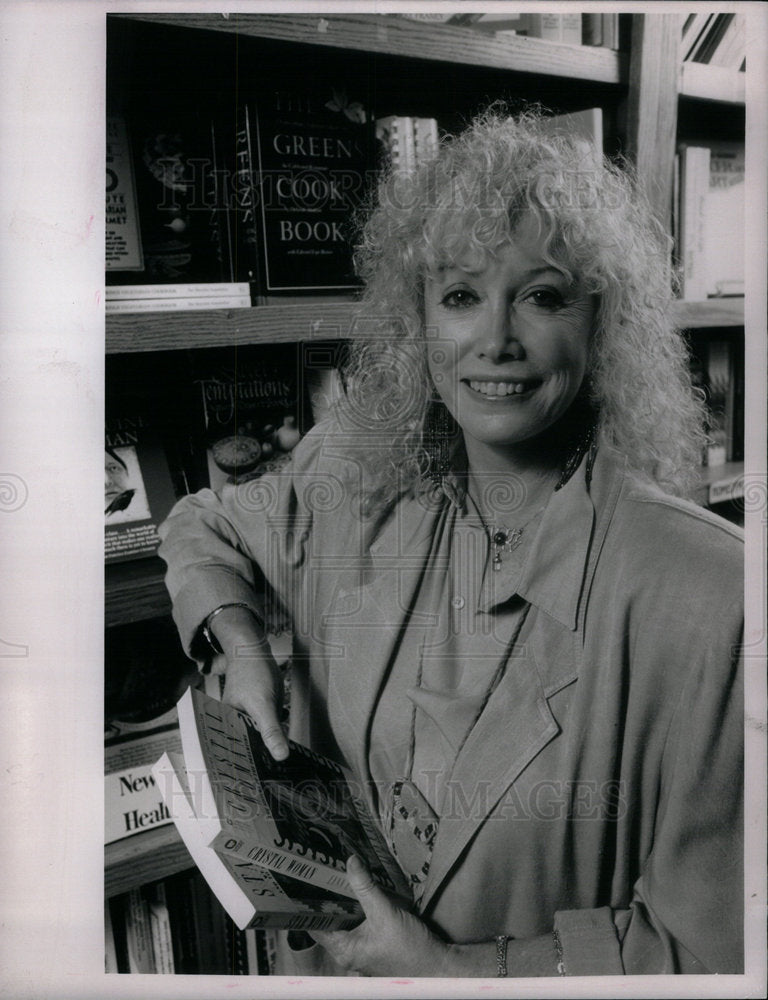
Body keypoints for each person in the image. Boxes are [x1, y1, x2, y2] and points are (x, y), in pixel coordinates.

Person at [159, 110, 743, 978]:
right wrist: (242, 647)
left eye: (542, 296)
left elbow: (709, 955)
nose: (495, 340)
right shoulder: (355, 466)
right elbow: (199, 523)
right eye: (462, 296)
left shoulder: (714, 595)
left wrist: (443, 970)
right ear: (419, 315)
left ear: (602, 321)